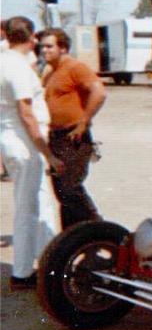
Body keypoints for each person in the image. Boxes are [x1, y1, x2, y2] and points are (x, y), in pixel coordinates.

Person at [0, 17, 62, 288]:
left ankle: (48, 258)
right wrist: (47, 153)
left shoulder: (4, 61)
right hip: (25, 143)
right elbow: (26, 113)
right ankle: (22, 272)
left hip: (13, 139)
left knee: (41, 201)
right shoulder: (17, 67)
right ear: (32, 37)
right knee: (27, 208)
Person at [39, 28, 106, 228]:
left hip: (74, 136)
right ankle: (71, 235)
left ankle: (98, 228)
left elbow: (99, 92)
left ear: (63, 48)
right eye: (42, 47)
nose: (44, 50)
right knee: (61, 190)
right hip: (55, 136)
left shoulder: (75, 67)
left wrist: (84, 121)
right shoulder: (50, 71)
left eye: (49, 46)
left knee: (70, 187)